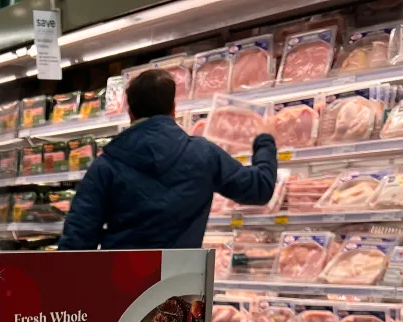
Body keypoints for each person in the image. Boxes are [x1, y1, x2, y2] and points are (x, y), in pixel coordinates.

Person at [58, 69, 277, 251]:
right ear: (173, 109)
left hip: (121, 286)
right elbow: (260, 188)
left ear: (130, 113)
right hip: (183, 287)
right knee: (182, 306)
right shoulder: (204, 154)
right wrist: (264, 141)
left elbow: (77, 240)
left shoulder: (106, 165)